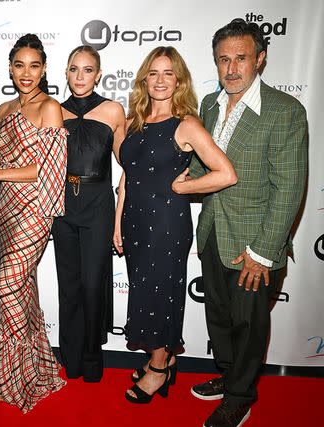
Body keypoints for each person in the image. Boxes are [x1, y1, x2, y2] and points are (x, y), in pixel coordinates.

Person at [189, 19, 307, 427]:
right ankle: (227, 376)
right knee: (219, 318)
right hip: (212, 233)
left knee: (248, 323)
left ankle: (240, 395)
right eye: (224, 59)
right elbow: (200, 166)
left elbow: (289, 189)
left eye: (241, 58)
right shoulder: (208, 104)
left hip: (255, 243)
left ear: (261, 59)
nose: (232, 68)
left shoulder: (285, 111)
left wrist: (263, 252)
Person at [113, 46, 237, 404]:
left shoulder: (187, 124)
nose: (161, 80)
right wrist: (118, 224)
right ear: (144, 80)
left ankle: (158, 369)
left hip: (166, 223)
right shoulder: (136, 123)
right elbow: (126, 179)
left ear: (179, 80)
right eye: (154, 73)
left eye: (169, 73)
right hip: (135, 222)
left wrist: (184, 186)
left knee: (159, 296)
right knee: (144, 292)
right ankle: (163, 358)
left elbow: (225, 174)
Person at [0, 33, 67, 413]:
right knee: (23, 289)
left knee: (8, 286)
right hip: (8, 207)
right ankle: (38, 369)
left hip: (36, 209)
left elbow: (50, 171)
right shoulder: (3, 109)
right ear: (10, 68)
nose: (26, 73)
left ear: (44, 69)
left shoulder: (50, 107)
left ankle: (14, 378)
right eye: (19, 65)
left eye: (34, 65)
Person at [51, 45, 126, 382]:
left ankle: (93, 359)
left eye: (87, 70)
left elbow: (128, 161)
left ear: (98, 74)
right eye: (73, 69)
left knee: (93, 284)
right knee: (68, 285)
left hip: (97, 203)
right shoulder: (53, 111)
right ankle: (71, 359)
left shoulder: (113, 110)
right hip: (62, 202)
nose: (80, 76)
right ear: (65, 73)